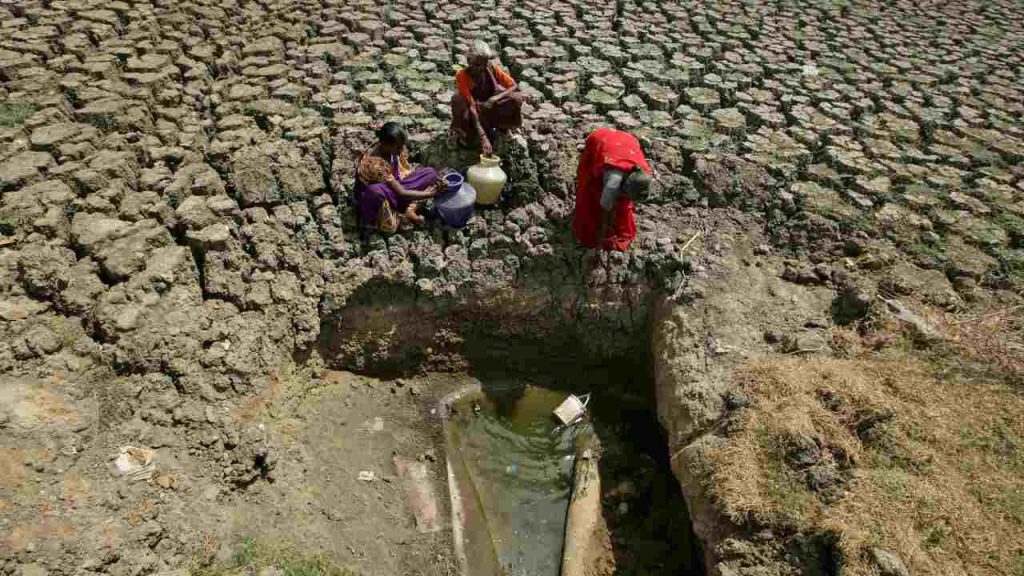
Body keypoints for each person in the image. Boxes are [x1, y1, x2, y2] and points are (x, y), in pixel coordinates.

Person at [572, 128, 653, 251]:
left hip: (627, 141)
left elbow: (625, 202)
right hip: (599, 139)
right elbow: (605, 204)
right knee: (588, 191)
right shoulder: (613, 181)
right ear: (624, 186)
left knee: (622, 204)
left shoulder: (644, 173)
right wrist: (603, 231)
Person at [355, 122, 439, 233]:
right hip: (382, 197)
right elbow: (401, 192)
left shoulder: (387, 149)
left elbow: (403, 172)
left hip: (395, 186)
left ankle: (409, 209)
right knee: (375, 191)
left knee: (430, 173)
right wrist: (429, 194)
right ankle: (403, 214)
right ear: (385, 144)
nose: (401, 150)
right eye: (398, 147)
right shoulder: (375, 164)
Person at [450, 41, 524, 157]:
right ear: (469, 61)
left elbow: (513, 85)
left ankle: (503, 128)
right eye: (477, 65)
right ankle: (464, 134)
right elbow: (472, 106)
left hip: (489, 106)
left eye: (484, 64)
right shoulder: (462, 76)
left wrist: (494, 98)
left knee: (516, 98)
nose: (481, 68)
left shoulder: (491, 68)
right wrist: (483, 137)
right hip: (473, 111)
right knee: (458, 99)